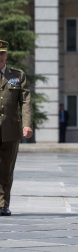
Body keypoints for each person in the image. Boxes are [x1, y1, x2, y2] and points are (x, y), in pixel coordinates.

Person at [0, 40, 33, 216]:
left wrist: (27, 124)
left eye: (1, 54)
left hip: (10, 130)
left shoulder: (17, 76)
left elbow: (26, 102)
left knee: (6, 168)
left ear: (6, 55)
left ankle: (3, 204)